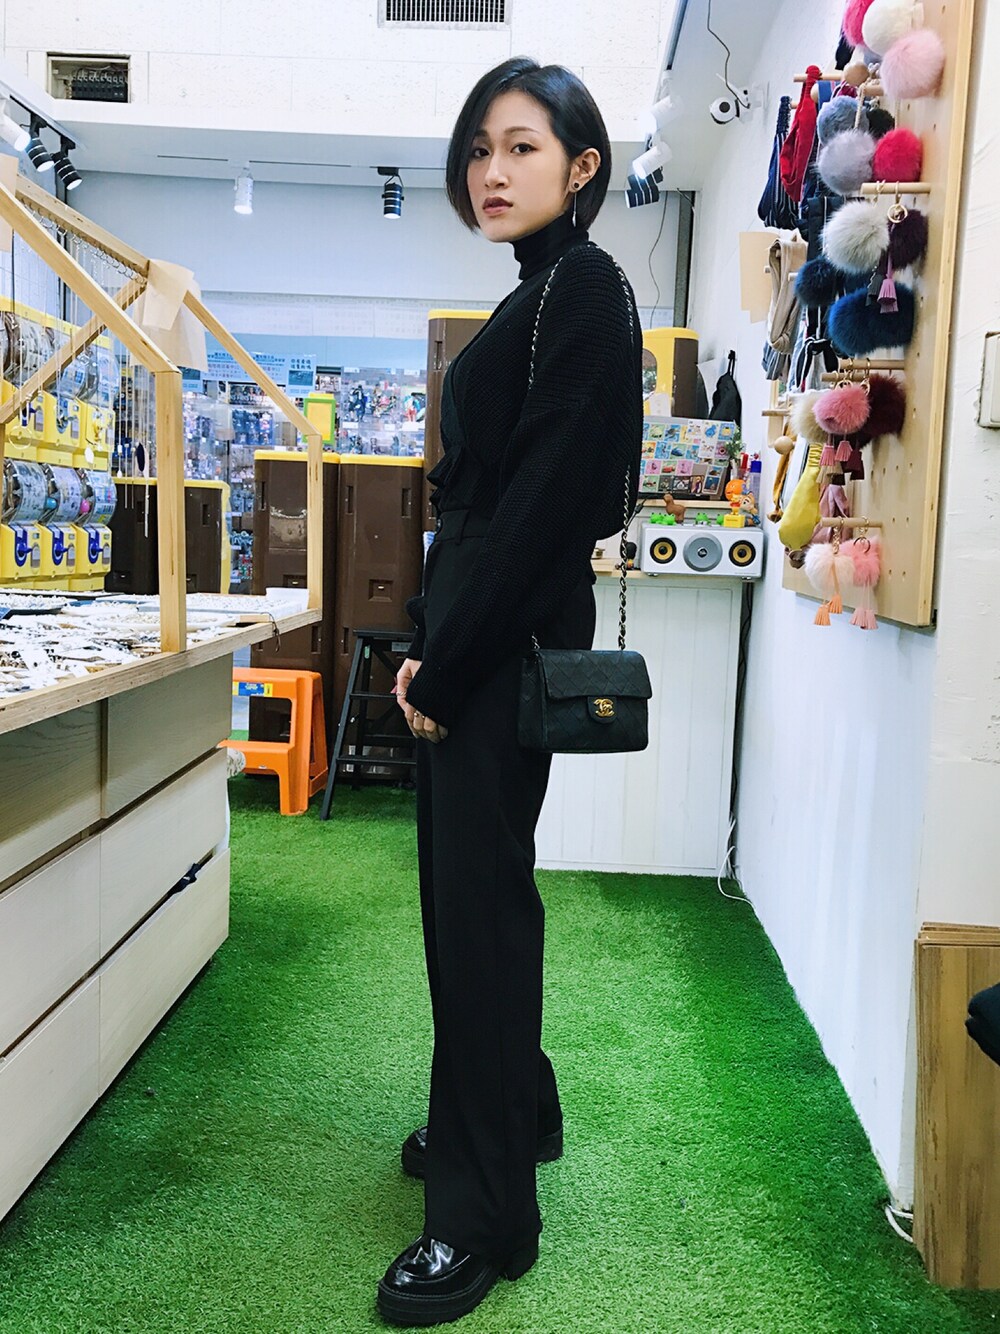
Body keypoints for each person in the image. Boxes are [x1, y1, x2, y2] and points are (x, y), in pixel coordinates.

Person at [379, 56, 643, 1327]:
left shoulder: (582, 288)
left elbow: (543, 508)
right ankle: (511, 1109)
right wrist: (431, 637)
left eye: (522, 146)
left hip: (497, 650)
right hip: (475, 636)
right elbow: (485, 506)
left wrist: (450, 659)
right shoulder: (538, 291)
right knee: (473, 903)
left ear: (581, 167)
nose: (492, 170)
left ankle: (484, 1218)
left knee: (478, 919)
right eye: (480, 147)